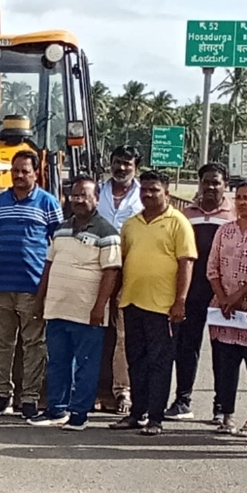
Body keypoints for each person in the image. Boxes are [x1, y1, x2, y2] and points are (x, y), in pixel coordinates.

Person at [109, 171, 196, 436]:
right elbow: (122, 263)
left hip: (163, 307)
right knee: (136, 360)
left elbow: (186, 263)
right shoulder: (131, 224)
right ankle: (138, 413)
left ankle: (156, 418)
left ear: (166, 193)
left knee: (160, 363)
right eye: (144, 190)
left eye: (154, 190)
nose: (148, 194)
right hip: (132, 301)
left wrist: (180, 301)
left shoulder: (178, 222)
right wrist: (115, 297)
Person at [31, 176, 121, 430]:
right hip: (57, 308)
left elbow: (111, 273)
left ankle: (79, 414)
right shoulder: (60, 228)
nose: (79, 200)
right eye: (75, 196)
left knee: (86, 365)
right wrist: (40, 301)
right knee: (58, 362)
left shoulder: (107, 233)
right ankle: (56, 410)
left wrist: (98, 307)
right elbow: (49, 266)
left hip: (87, 312)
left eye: (85, 195)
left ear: (96, 199)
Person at [0, 150, 63, 419]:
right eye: (15, 170)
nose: (18, 175)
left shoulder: (48, 202)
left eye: (24, 171)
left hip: (32, 286)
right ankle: (1, 394)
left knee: (34, 343)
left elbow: (58, 243)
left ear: (36, 172)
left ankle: (29, 398)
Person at [166, 162, 236, 422]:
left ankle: (221, 406)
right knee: (186, 347)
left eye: (216, 182)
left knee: (222, 351)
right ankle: (183, 400)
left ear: (225, 185)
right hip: (191, 292)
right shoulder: (186, 214)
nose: (210, 187)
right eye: (205, 182)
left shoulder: (233, 215)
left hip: (222, 294)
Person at [206, 180, 247, 437]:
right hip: (224, 312)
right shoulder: (225, 231)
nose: (242, 202)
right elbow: (212, 268)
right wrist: (223, 297)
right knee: (225, 365)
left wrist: (238, 297)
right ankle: (227, 415)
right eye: (239, 197)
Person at [96, 145, 143, 415]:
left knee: (124, 334)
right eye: (117, 162)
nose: (121, 168)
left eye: (127, 163)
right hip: (96, 270)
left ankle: (122, 390)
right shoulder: (97, 191)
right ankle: (90, 388)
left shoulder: (142, 196)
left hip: (130, 271)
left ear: (135, 167)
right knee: (93, 329)